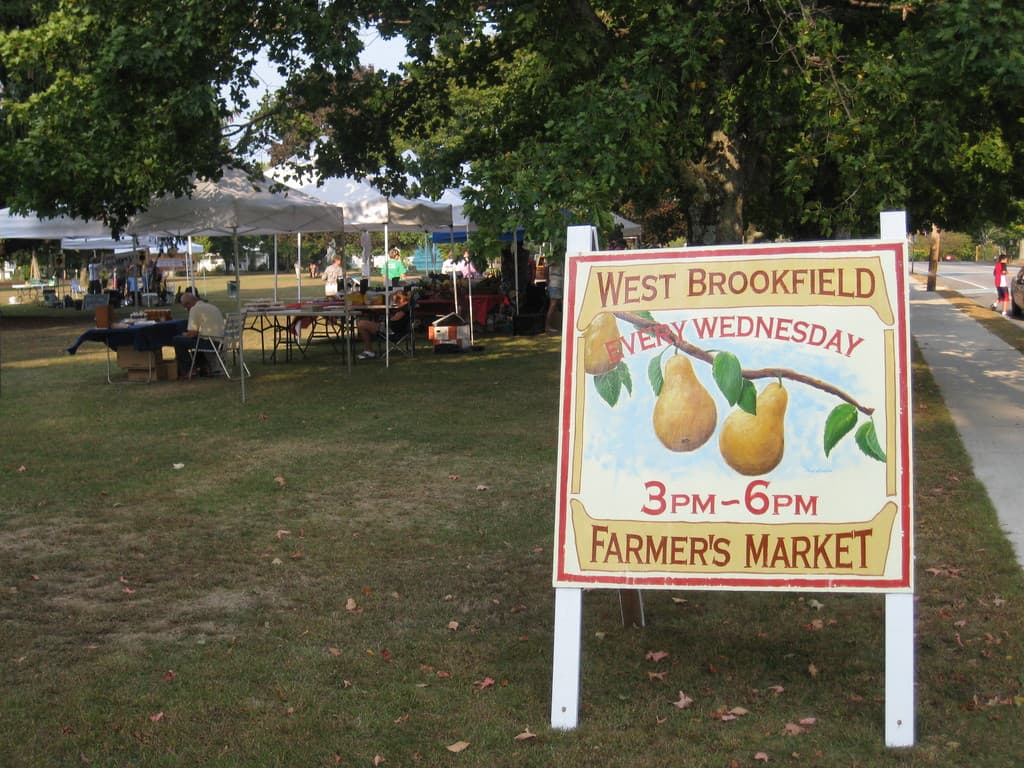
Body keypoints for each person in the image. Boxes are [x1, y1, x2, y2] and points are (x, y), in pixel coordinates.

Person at [171, 290, 226, 378]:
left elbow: (192, 333)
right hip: (222, 342)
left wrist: (185, 334)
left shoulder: (194, 309)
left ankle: (188, 370)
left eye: (185, 307)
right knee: (196, 341)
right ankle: (202, 366)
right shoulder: (211, 306)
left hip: (211, 342)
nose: (186, 309)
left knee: (177, 340)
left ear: (188, 304)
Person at [356, 290, 410, 359]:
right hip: (392, 329)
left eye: (395, 301)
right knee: (363, 323)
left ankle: (369, 351)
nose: (395, 303)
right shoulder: (406, 307)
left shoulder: (404, 309)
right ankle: (368, 350)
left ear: (401, 299)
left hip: (391, 331)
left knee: (361, 324)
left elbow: (393, 320)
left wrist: (384, 321)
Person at [545, 260, 563, 333]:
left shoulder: (557, 259)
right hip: (555, 284)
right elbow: (546, 267)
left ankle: (551, 325)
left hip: (558, 284)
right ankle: (547, 326)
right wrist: (547, 281)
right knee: (553, 305)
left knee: (555, 305)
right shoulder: (554, 259)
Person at [992, 252, 1010, 316]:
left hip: (997, 283)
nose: (1007, 260)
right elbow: (1004, 272)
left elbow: (994, 273)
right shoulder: (1003, 264)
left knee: (1001, 296)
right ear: (1003, 259)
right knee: (1006, 298)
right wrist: (1007, 273)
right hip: (1003, 284)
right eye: (1006, 259)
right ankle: (1004, 311)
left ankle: (994, 304)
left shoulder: (997, 265)